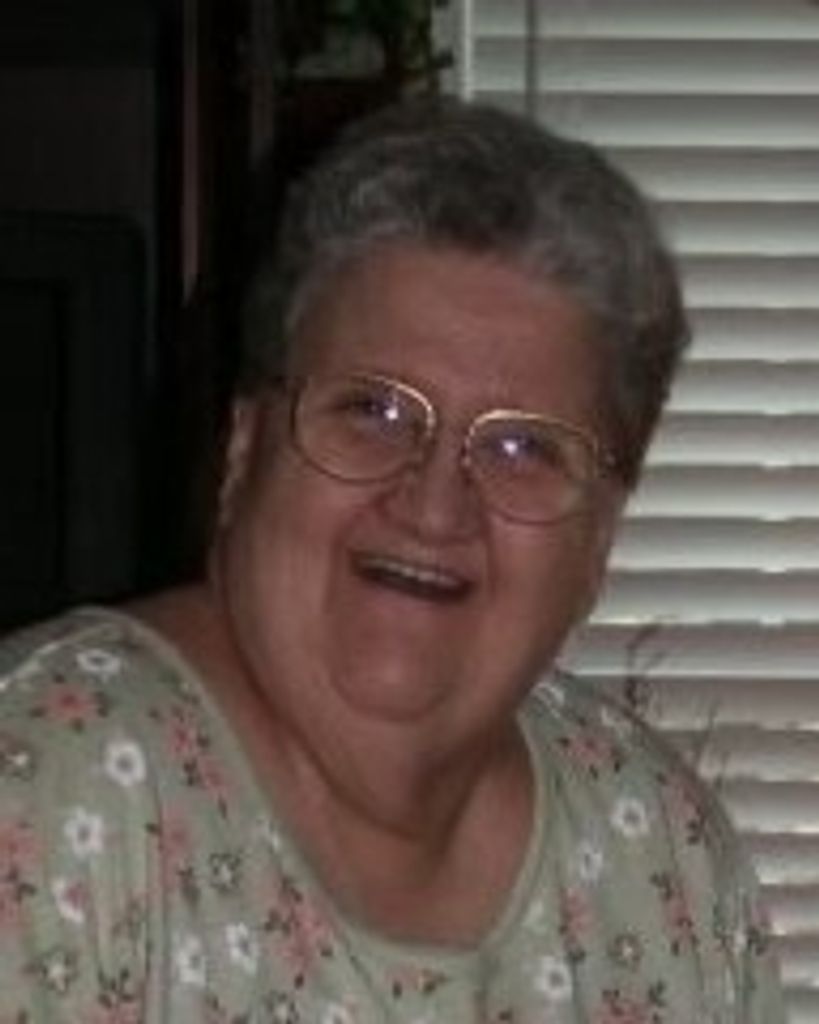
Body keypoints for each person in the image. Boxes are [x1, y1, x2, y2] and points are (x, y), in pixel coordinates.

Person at [0, 98, 784, 1022]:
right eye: (371, 410)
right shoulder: (39, 789)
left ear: (598, 543)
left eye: (523, 448)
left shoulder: (659, 853)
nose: (433, 503)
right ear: (244, 452)